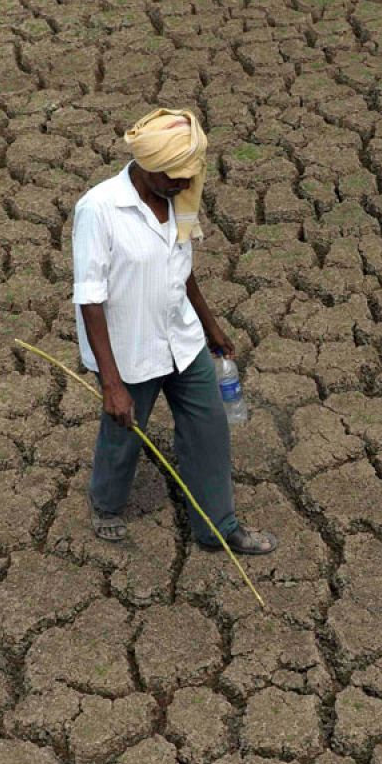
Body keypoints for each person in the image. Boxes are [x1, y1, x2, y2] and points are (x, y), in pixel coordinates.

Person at [68, 108, 277, 555]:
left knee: (209, 430)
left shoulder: (177, 200)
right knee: (125, 433)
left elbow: (180, 269)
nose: (184, 184)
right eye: (174, 176)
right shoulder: (99, 210)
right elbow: (90, 298)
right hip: (130, 350)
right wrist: (111, 383)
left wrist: (210, 323)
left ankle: (218, 527)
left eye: (188, 175)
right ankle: (104, 505)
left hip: (181, 339)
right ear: (146, 165)